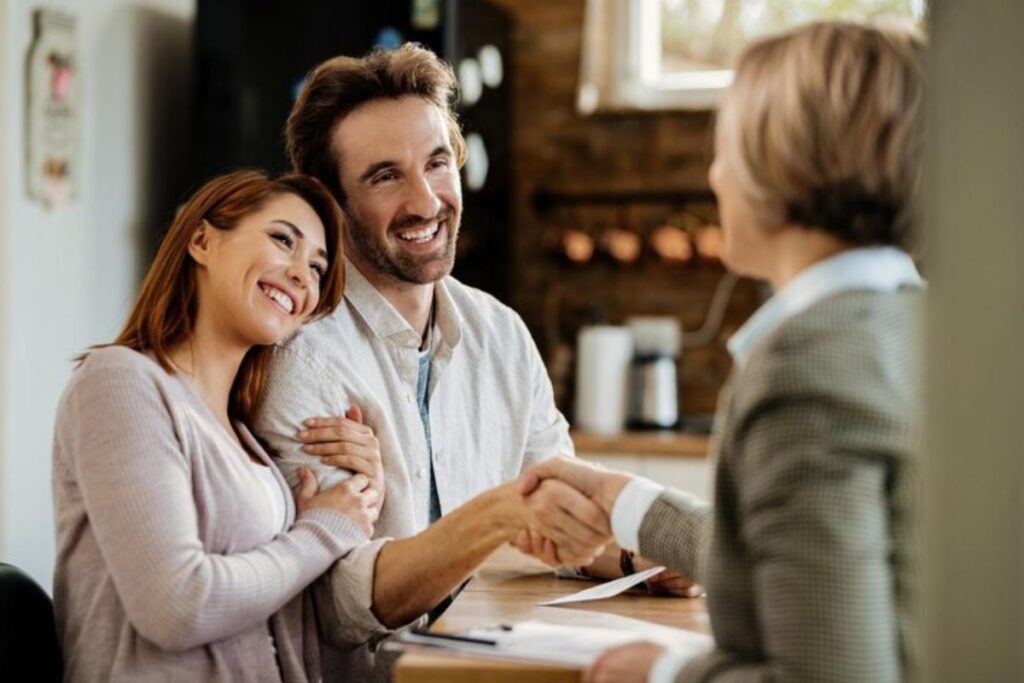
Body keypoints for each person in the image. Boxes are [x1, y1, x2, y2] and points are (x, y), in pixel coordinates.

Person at [252, 44, 691, 681]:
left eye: (436, 163)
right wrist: (499, 515)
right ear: (328, 202)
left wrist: (640, 560)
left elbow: (557, 503)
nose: (426, 201)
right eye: (384, 176)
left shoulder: (501, 334)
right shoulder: (301, 357)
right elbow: (339, 604)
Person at [521, 20, 926, 683]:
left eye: (727, 147)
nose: (714, 173)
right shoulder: (917, 324)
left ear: (782, 165)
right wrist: (622, 499)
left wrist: (662, 673)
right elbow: (806, 562)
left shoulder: (809, 368)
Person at [52, 170, 382, 682]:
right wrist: (322, 531)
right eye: (282, 240)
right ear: (202, 241)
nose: (303, 275)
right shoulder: (120, 383)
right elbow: (178, 605)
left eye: (317, 269)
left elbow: (279, 605)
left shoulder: (243, 437)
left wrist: (360, 495)